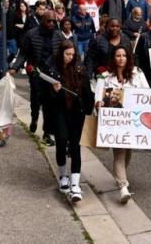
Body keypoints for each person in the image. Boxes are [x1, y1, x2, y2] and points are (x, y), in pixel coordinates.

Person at [95, 46, 151, 203]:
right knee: (120, 151)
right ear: (113, 58)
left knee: (128, 151)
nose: (121, 58)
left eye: (124, 55)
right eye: (118, 55)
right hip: (115, 122)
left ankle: (120, 177)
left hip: (132, 121)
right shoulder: (105, 76)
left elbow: (147, 93)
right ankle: (122, 186)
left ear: (128, 58)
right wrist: (99, 102)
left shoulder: (138, 73)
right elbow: (98, 96)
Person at [46, 40, 94, 203]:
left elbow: (87, 91)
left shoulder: (80, 69)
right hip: (59, 111)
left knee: (75, 145)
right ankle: (63, 175)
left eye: (73, 54)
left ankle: (75, 184)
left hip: (77, 112)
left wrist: (89, 110)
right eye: (67, 54)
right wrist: (54, 91)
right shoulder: (53, 69)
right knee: (61, 140)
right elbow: (45, 97)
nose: (70, 57)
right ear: (61, 54)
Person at [9, 10, 65, 146]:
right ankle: (34, 118)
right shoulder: (31, 34)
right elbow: (23, 53)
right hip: (36, 73)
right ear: (42, 21)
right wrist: (15, 67)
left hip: (51, 76)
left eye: (53, 21)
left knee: (49, 104)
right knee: (36, 100)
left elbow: (65, 53)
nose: (51, 23)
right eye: (48, 21)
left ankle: (47, 133)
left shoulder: (58, 35)